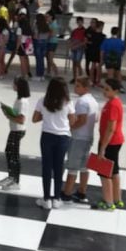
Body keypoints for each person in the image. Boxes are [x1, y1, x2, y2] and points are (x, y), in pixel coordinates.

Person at [32, 76, 74, 210]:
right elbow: (72, 121)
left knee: (46, 167)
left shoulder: (43, 101)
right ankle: (56, 198)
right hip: (63, 137)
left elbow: (35, 119)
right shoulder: (68, 102)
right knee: (59, 166)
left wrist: (47, 117)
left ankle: (46, 199)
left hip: (47, 136)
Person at [61, 77, 99, 205]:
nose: (75, 88)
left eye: (78, 86)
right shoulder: (94, 101)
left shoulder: (82, 102)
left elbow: (81, 120)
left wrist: (70, 127)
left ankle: (67, 193)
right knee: (84, 166)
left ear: (85, 87)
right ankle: (82, 191)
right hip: (88, 137)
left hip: (78, 138)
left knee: (72, 165)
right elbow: (95, 119)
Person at [95, 79, 126, 210]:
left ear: (115, 91)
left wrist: (103, 147)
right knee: (114, 171)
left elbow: (111, 128)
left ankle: (108, 202)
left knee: (104, 172)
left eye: (107, 89)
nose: (104, 91)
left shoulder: (113, 104)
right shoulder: (114, 102)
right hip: (115, 141)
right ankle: (116, 199)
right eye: (104, 88)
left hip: (110, 142)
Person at [0, 77, 31, 191]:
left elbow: (21, 119)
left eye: (14, 84)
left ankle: (15, 181)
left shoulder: (23, 102)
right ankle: (12, 177)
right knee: (10, 152)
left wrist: (8, 115)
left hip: (18, 130)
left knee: (13, 155)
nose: (13, 85)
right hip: (15, 129)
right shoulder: (19, 99)